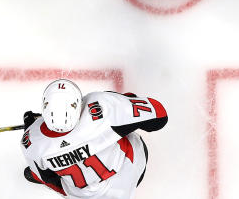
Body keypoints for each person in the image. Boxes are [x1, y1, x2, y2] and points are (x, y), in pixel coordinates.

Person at [20, 79, 167, 198]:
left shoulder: (31, 143)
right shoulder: (100, 107)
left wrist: (33, 128)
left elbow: (54, 184)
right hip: (129, 172)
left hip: (83, 195)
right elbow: (160, 118)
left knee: (39, 170)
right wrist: (122, 101)